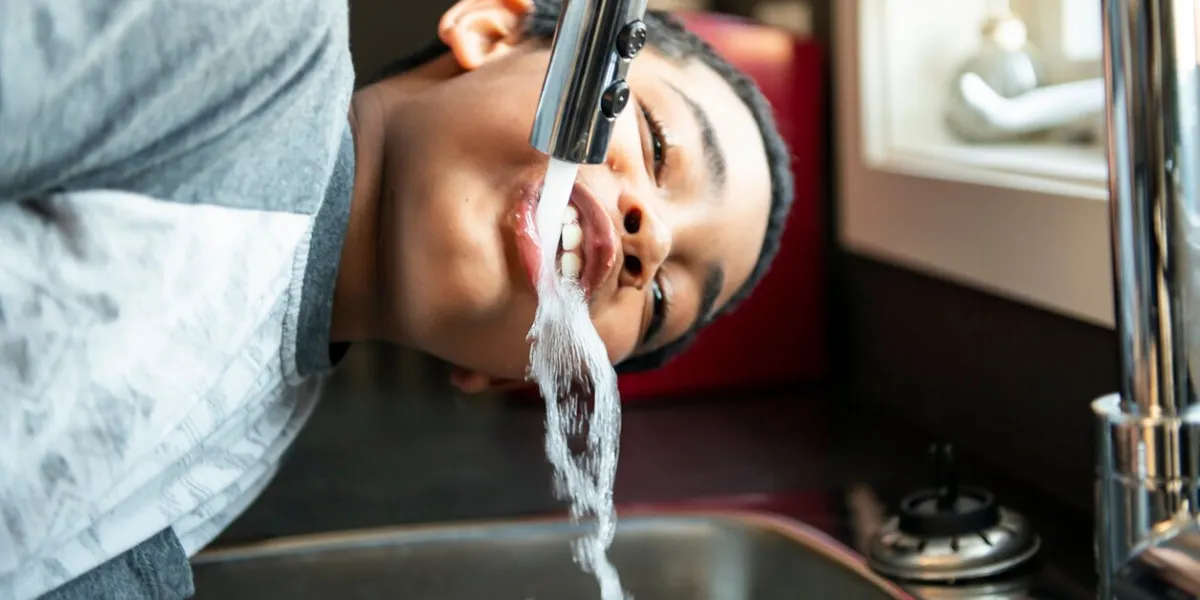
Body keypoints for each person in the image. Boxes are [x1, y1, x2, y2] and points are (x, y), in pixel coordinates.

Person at [0, 0, 794, 596]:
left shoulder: (234, 460)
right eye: (656, 144)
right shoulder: (257, 43)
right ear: (488, 32)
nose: (650, 236)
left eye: (658, 300)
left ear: (525, 377)